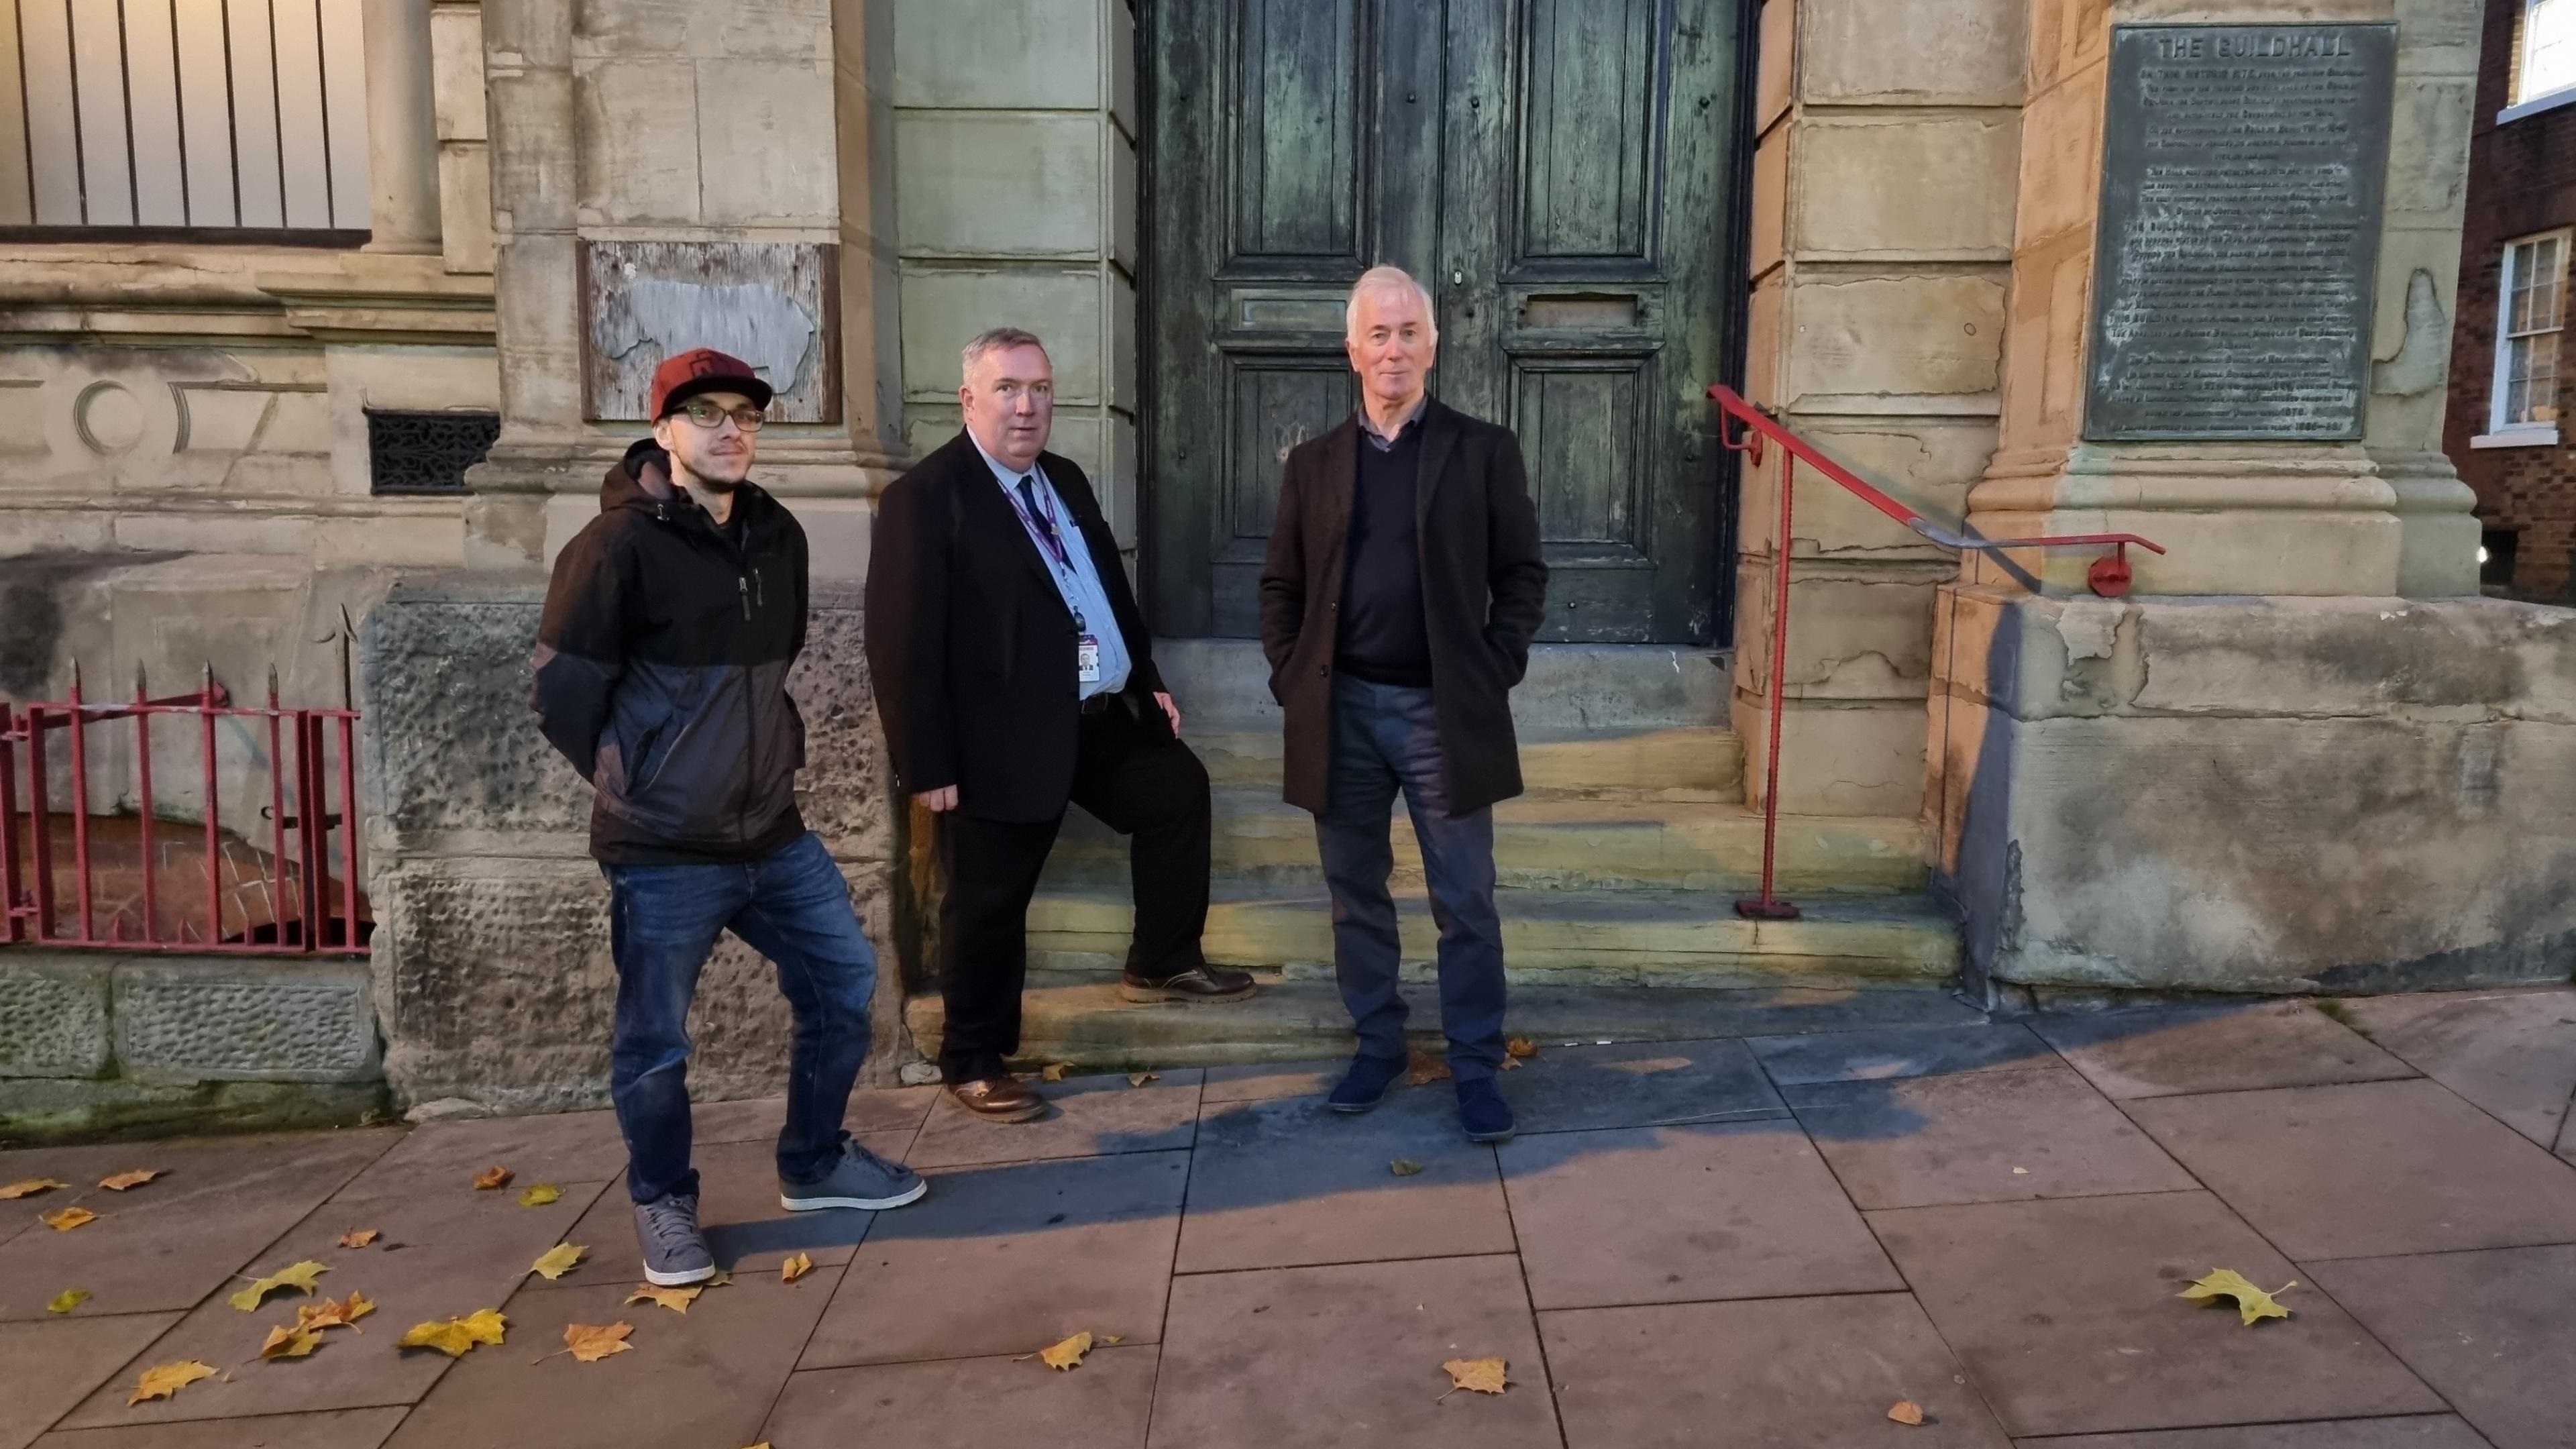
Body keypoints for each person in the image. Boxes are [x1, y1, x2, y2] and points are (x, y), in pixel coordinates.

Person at [533, 346, 924, 1287]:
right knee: (655, 1040)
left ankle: (816, 1160)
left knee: (843, 978)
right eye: (705, 412)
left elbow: (773, 666)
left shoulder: (776, 535)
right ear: (663, 429)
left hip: (772, 832)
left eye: (744, 414)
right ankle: (664, 1201)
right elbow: (563, 698)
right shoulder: (613, 550)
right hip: (663, 849)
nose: (729, 429)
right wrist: (646, 778)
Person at [867, 327, 1256, 1122]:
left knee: (1178, 790)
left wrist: (1146, 682)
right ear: (968, 400)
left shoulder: (1065, 481)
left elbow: (1106, 594)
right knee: (988, 902)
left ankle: (1163, 960)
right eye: (1008, 389)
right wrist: (926, 762)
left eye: (1040, 389)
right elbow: (900, 644)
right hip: (998, 739)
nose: (1026, 406)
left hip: (1097, 716)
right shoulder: (926, 499)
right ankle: (972, 1058)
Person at [1258, 266, 1549, 1142]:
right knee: (1355, 893)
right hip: (1340, 709)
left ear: (1433, 344)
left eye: (1409, 332)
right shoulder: (1312, 466)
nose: (1394, 349)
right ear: (1353, 350)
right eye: (1378, 334)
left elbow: (1522, 576)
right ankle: (1378, 1047)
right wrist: (1291, 674)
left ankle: (1474, 1066)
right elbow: (1280, 586)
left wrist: (1491, 664)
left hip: (1440, 713)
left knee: (1466, 897)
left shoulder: (1482, 450)